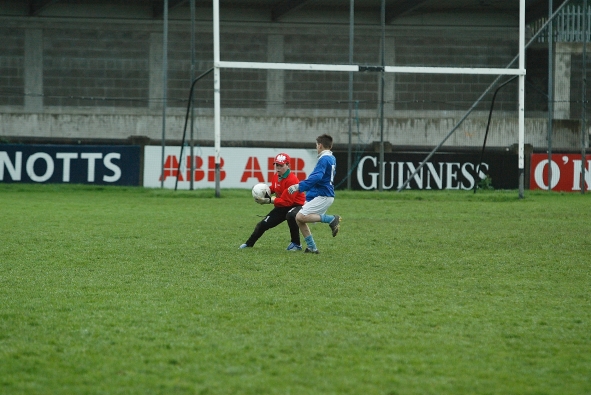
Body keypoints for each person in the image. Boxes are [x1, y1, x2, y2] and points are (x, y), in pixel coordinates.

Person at [239, 153, 306, 251]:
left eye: (281, 165)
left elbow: (288, 202)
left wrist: (270, 200)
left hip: (296, 205)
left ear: (288, 165)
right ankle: (248, 244)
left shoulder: (292, 180)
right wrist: (263, 192)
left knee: (291, 215)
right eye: (276, 165)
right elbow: (275, 189)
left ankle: (296, 244)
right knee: (263, 224)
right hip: (282, 205)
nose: (278, 168)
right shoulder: (276, 176)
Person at [287, 134, 341, 254]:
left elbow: (317, 177)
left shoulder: (324, 159)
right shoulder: (331, 158)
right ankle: (312, 247)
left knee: (300, 216)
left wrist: (299, 186)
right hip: (322, 195)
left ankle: (331, 219)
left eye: (316, 145)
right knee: (300, 219)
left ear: (320, 145)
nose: (316, 147)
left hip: (324, 196)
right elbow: (321, 179)